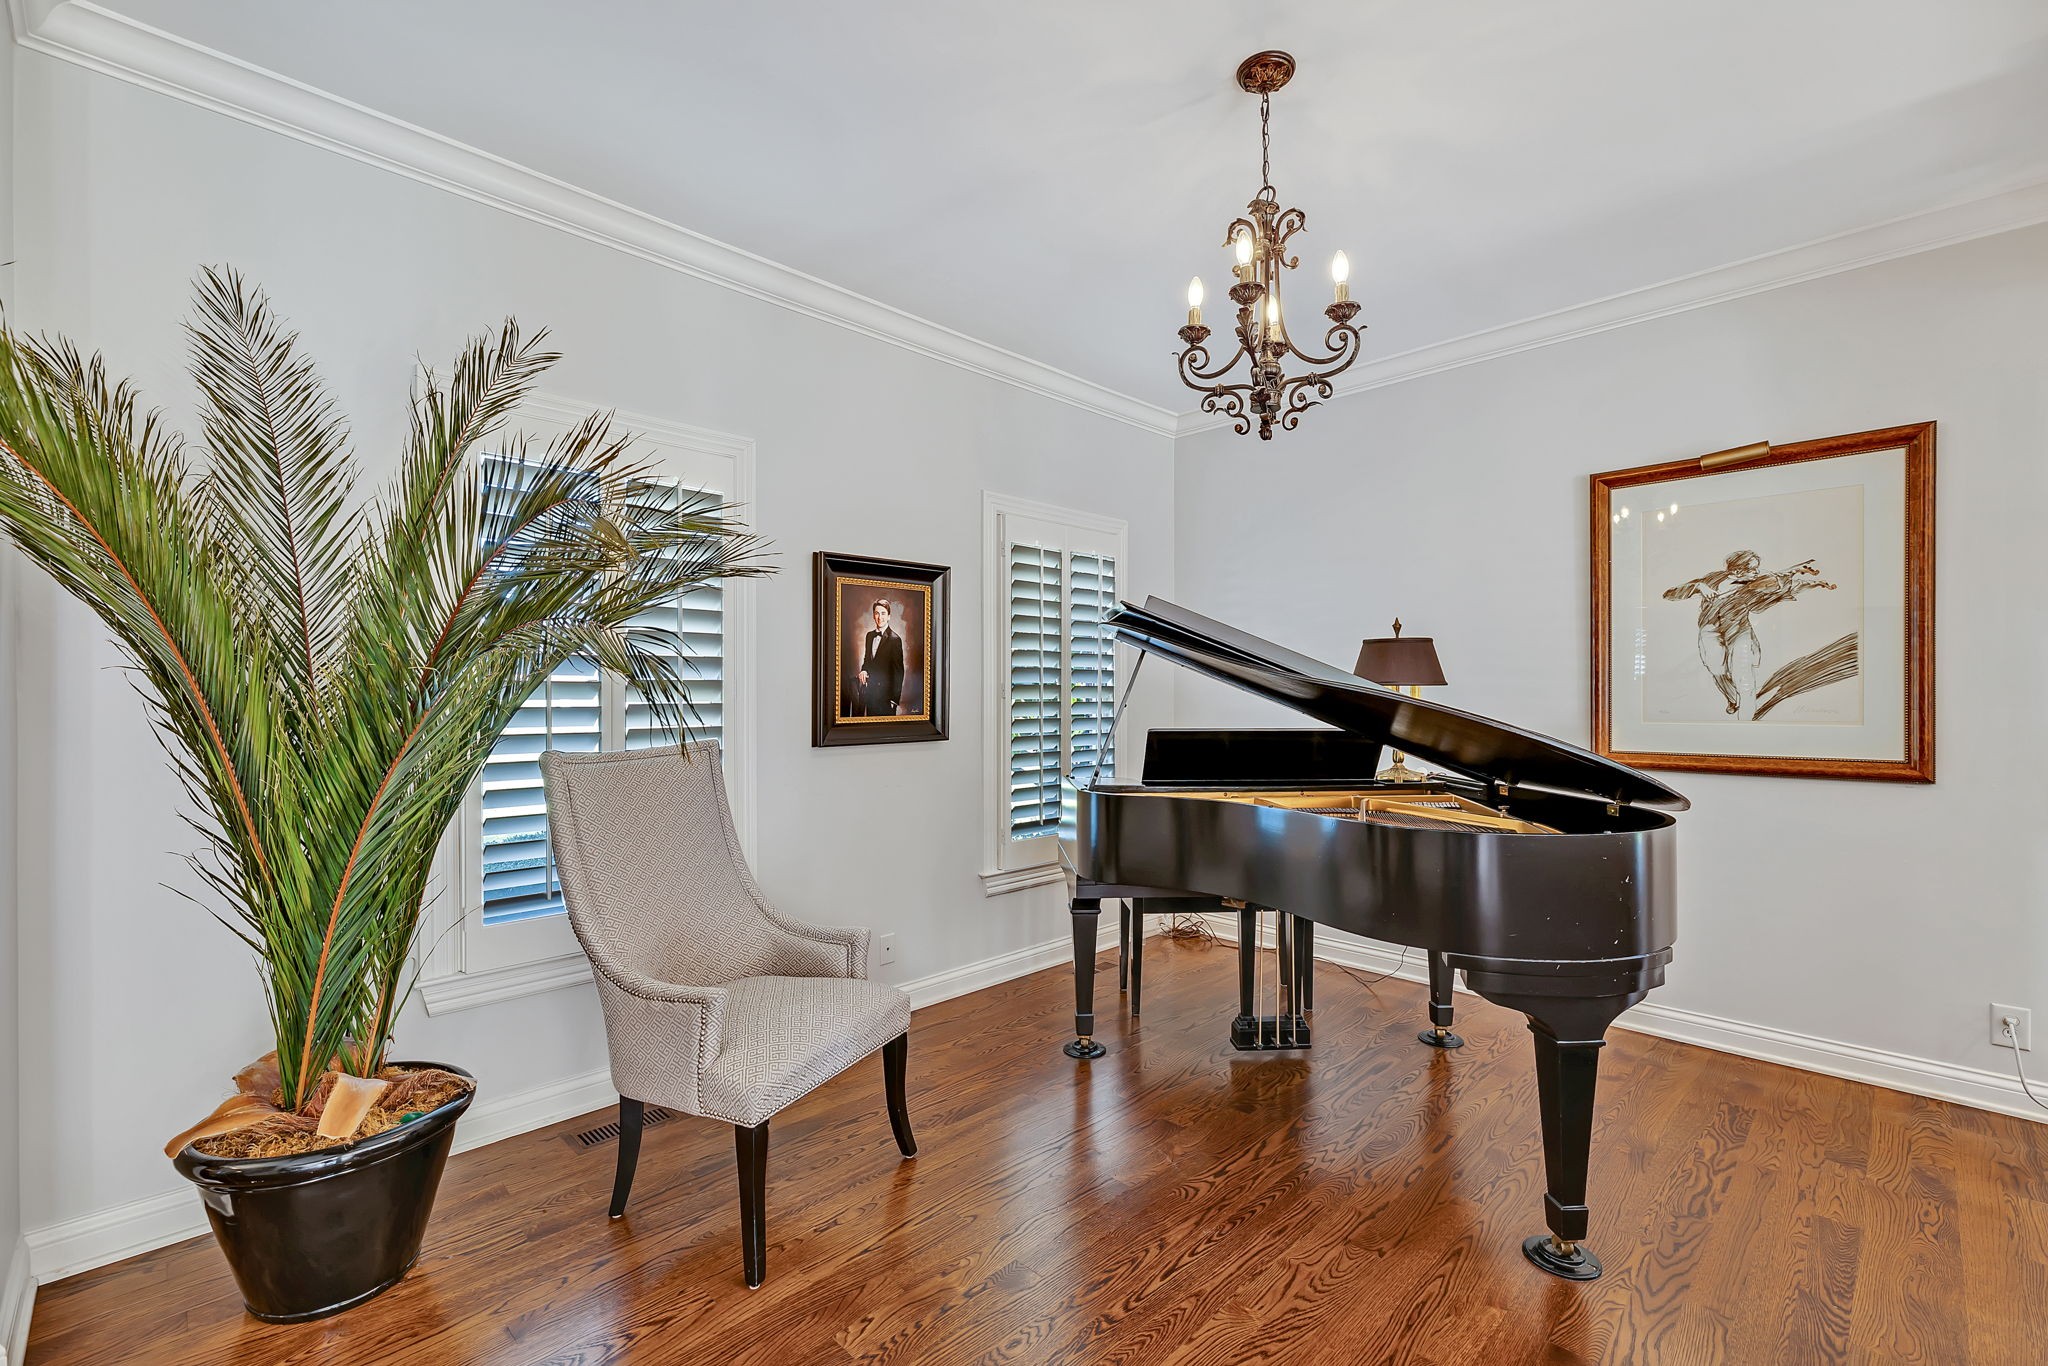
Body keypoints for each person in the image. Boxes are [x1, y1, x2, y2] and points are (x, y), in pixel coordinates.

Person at [1662, 549, 1835, 719]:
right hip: (1710, 630)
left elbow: (1781, 583)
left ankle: (1746, 719)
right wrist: (1697, 586)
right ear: (1737, 571)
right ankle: (1732, 699)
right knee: (1716, 669)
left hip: (1739, 631)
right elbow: (1669, 594)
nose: (1757, 572)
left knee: (1743, 676)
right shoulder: (1712, 579)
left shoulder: (1757, 583)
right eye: (1752, 569)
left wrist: (1807, 577)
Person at [854, 598, 905, 717]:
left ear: (889, 616)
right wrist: (864, 670)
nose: (879, 617)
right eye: (877, 613)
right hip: (870, 694)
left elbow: (899, 672)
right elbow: (867, 660)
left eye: (883, 613)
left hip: (886, 698)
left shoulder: (895, 640)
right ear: (873, 615)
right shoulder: (869, 636)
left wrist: (894, 699)